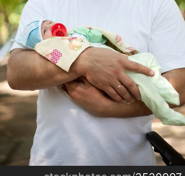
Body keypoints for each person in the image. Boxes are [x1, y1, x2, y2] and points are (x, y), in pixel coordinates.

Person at [7, 0, 185, 165]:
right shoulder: (44, 0)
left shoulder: (155, 1)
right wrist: (83, 60)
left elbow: (178, 89)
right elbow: (17, 73)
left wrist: (110, 109)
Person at [15, 19, 185, 126]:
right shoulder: (53, 49)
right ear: (41, 44)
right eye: (44, 30)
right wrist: (82, 60)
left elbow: (97, 37)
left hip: (122, 60)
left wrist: (88, 33)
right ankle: (165, 113)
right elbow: (59, 58)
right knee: (144, 88)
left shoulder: (76, 34)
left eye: (49, 22)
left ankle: (164, 89)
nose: (51, 26)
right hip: (116, 75)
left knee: (148, 61)